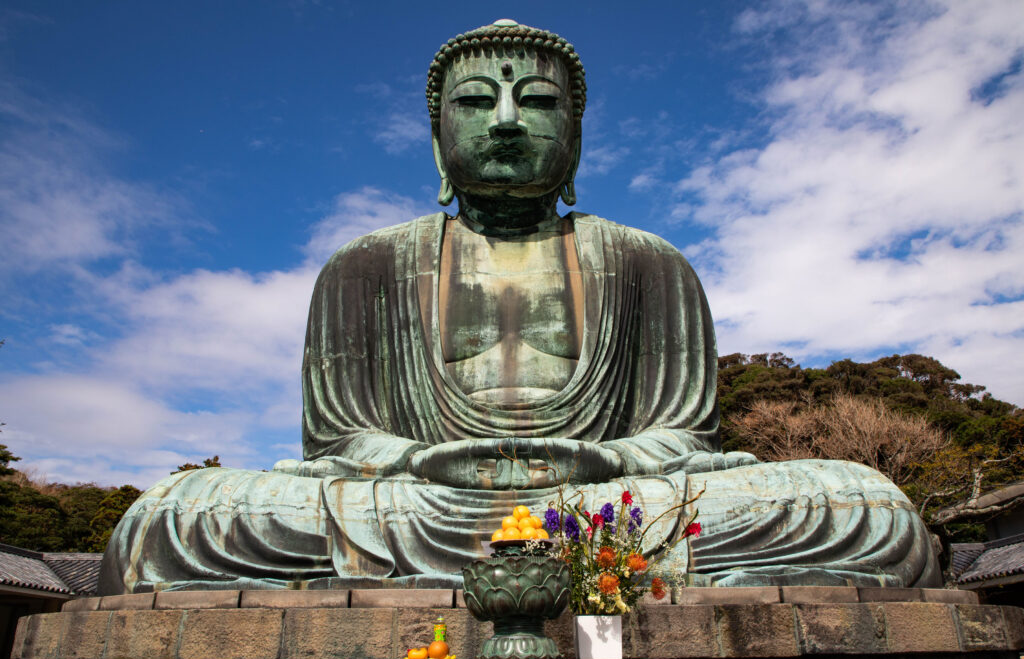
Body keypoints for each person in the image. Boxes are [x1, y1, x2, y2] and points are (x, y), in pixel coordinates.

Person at [99, 20, 939, 594]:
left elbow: (684, 435)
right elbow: (340, 440)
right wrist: (417, 462)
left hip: (607, 505)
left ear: (575, 135)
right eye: (475, 104)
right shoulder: (364, 267)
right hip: (417, 505)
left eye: (536, 103)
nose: (505, 121)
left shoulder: (650, 264)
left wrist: (603, 463)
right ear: (437, 137)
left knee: (865, 506)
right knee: (174, 517)